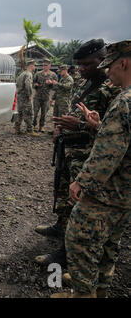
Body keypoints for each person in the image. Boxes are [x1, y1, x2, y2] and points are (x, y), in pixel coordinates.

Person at [51, 39, 131, 298]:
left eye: (111, 67)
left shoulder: (124, 101)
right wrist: (96, 125)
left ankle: (82, 294)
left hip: (108, 191)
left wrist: (81, 182)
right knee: (109, 245)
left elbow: (109, 152)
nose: (109, 73)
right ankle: (99, 292)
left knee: (81, 241)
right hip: (123, 194)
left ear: (124, 63)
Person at [34, 39, 121, 266]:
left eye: (86, 64)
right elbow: (74, 108)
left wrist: (80, 126)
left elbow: (111, 134)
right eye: (79, 65)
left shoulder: (112, 89)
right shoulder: (86, 82)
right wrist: (60, 127)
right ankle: (60, 226)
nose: (81, 69)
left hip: (89, 155)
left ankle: (66, 253)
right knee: (62, 192)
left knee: (78, 205)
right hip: (70, 150)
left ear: (102, 61)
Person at [14, 59, 39, 136]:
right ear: (31, 65)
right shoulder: (29, 74)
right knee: (28, 113)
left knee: (20, 113)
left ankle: (17, 129)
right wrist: (30, 95)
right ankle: (30, 130)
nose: (35, 67)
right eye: (34, 65)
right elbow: (28, 85)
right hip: (25, 97)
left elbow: (17, 84)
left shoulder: (22, 74)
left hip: (20, 96)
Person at [33, 58, 58, 132]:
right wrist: (36, 85)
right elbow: (33, 83)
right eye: (43, 65)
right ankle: (34, 125)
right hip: (37, 96)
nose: (44, 66)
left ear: (49, 66)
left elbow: (56, 86)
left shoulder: (53, 75)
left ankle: (41, 126)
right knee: (35, 112)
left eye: (46, 65)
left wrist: (51, 83)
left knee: (44, 113)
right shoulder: (38, 74)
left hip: (46, 97)